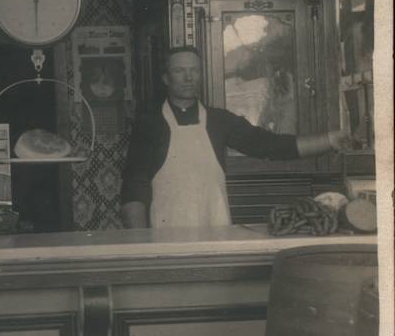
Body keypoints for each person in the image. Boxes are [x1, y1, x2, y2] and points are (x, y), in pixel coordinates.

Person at [120, 46, 350, 229]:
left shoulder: (220, 120)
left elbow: (271, 145)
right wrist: (141, 244)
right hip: (166, 235)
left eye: (194, 70)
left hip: (215, 231)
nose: (188, 77)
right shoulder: (149, 125)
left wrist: (329, 140)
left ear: (201, 75)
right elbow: (134, 187)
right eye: (179, 71)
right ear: (166, 78)